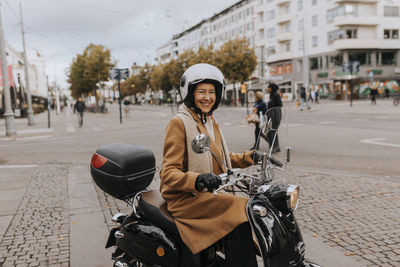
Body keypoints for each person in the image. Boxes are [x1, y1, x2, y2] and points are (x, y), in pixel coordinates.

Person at [160, 63, 258, 267]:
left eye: (212, 92)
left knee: (253, 210)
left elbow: (220, 156)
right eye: (201, 91)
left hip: (206, 194)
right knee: (241, 210)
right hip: (186, 199)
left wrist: (252, 157)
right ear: (190, 94)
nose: (207, 97)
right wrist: (198, 179)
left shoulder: (209, 121)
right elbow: (168, 173)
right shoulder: (179, 123)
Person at [266, 83, 283, 153]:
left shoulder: (276, 95)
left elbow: (279, 105)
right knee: (270, 132)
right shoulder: (271, 95)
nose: (268, 89)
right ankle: (274, 146)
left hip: (275, 115)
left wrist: (275, 116)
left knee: (273, 131)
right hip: (271, 115)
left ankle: (275, 147)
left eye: (269, 87)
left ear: (272, 88)